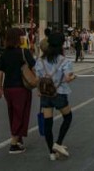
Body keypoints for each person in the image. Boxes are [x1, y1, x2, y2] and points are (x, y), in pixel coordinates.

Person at [35, 33, 76, 161]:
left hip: (45, 95)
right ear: (61, 45)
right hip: (59, 94)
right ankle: (58, 143)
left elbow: (38, 79)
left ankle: (51, 153)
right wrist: (73, 77)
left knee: (48, 123)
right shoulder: (64, 61)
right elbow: (68, 78)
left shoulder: (40, 61)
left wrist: (39, 90)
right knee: (68, 117)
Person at [0, 28, 36, 154]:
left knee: (13, 113)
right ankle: (14, 144)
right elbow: (35, 67)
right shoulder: (24, 52)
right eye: (22, 36)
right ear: (18, 38)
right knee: (20, 114)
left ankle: (18, 139)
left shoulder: (4, 54)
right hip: (21, 88)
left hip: (8, 88)